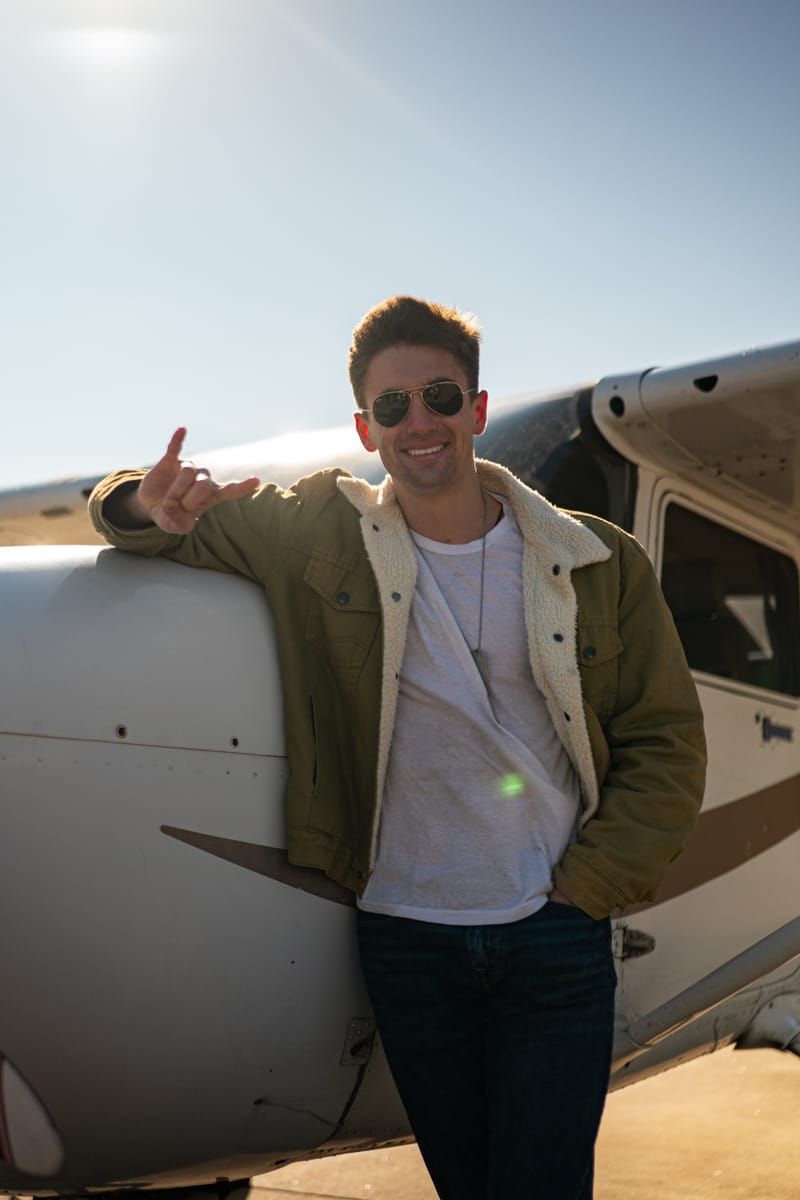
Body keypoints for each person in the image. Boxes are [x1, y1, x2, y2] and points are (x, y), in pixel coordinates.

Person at [89, 295, 706, 1199]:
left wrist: (586, 891)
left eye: (442, 397)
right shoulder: (316, 529)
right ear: (363, 427)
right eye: (393, 407)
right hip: (408, 941)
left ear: (478, 410)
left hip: (555, 936)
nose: (420, 423)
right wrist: (140, 501)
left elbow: (667, 740)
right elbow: (146, 525)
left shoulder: (595, 560)